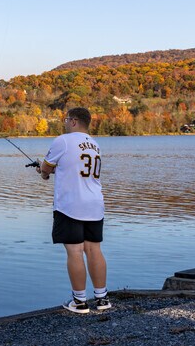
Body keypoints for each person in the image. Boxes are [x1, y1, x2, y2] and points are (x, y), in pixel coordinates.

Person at [37, 107, 111, 314]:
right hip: (95, 204)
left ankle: (79, 302)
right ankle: (102, 298)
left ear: (75, 121)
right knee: (94, 250)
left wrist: (43, 173)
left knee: (75, 251)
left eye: (66, 118)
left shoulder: (63, 140)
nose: (65, 122)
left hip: (70, 206)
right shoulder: (94, 145)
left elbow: (46, 168)